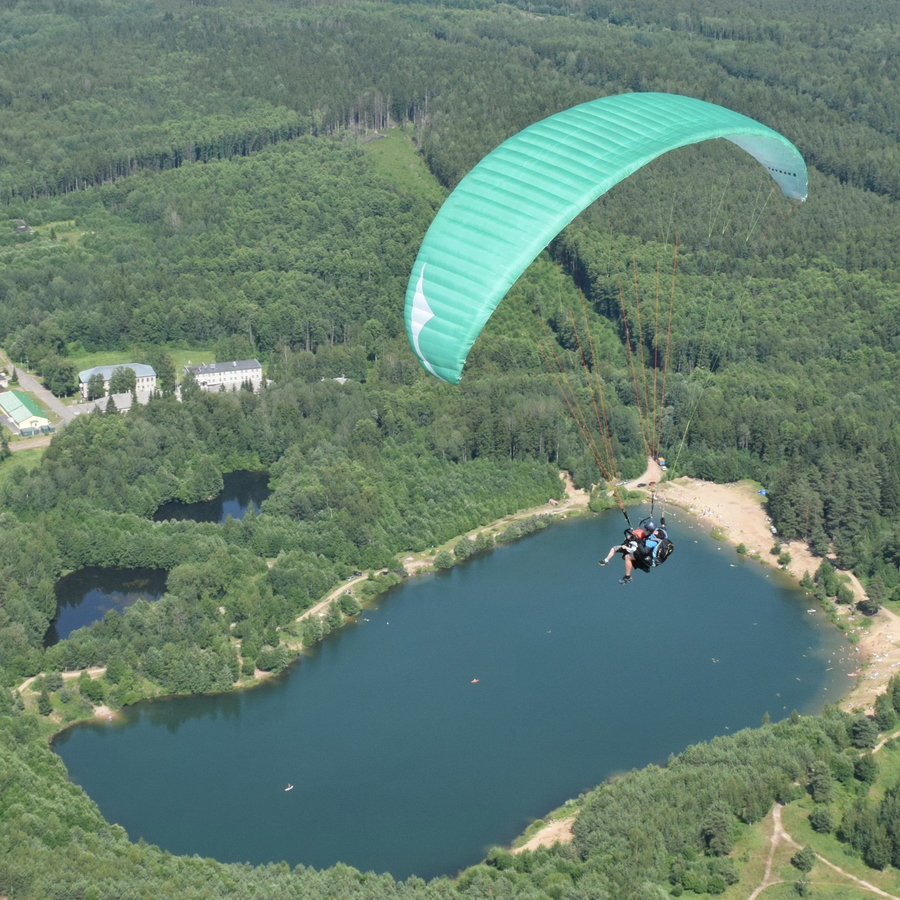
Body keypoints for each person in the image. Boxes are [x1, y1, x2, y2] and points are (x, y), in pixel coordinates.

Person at [599, 520, 668, 584]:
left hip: (651, 559)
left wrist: (637, 541)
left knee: (627, 557)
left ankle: (628, 577)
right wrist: (663, 523)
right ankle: (606, 560)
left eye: (646, 530)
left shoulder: (651, 541)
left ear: (648, 530)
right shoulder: (662, 531)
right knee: (627, 551)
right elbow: (664, 528)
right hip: (656, 553)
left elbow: (644, 551)